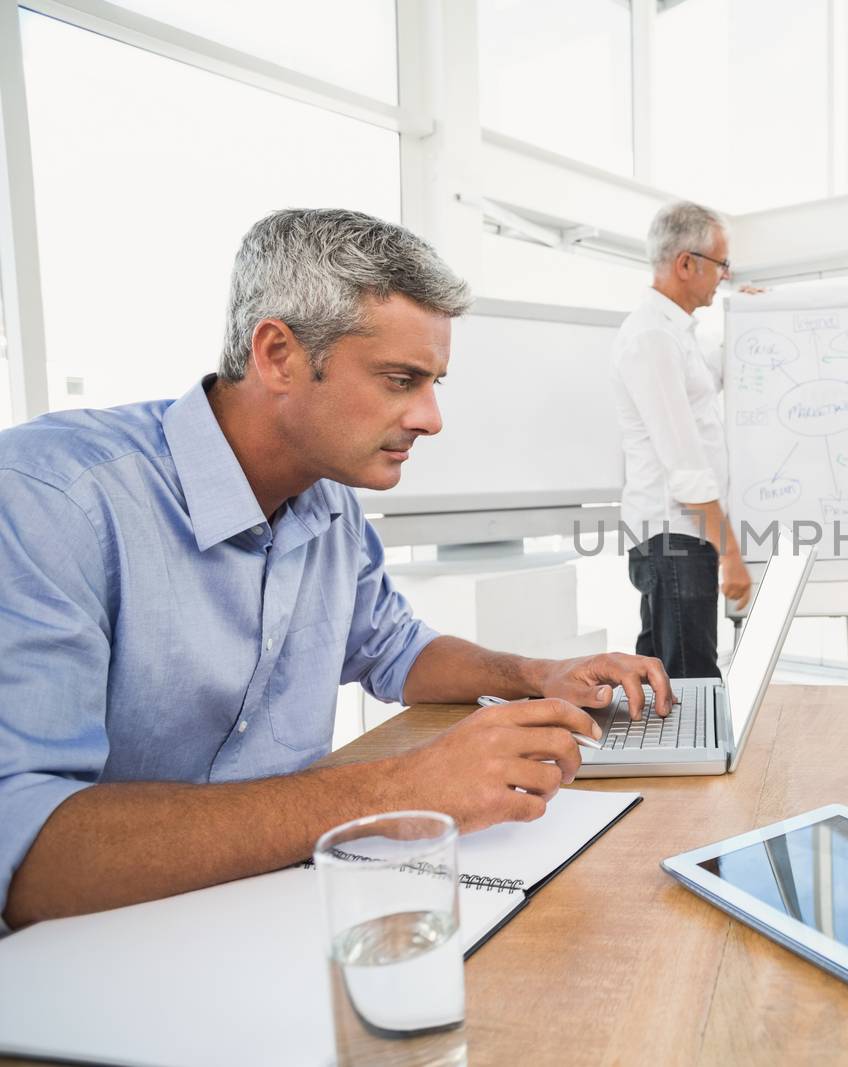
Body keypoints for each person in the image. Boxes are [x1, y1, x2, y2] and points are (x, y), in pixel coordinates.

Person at [0, 208, 673, 931]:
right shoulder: (52, 501)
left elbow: (398, 651)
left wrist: (535, 674)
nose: (431, 417)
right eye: (400, 379)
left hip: (277, 904)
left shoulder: (330, 504)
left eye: (435, 381)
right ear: (278, 354)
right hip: (100, 943)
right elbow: (26, 852)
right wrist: (400, 788)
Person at [612, 201, 752, 679]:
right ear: (686, 263)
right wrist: (730, 552)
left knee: (664, 677)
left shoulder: (677, 332)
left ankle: (667, 756)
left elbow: (709, 379)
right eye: (721, 265)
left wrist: (748, 323)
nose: (725, 276)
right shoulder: (652, 336)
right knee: (692, 679)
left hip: (682, 535)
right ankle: (694, 759)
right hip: (674, 534)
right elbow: (686, 464)